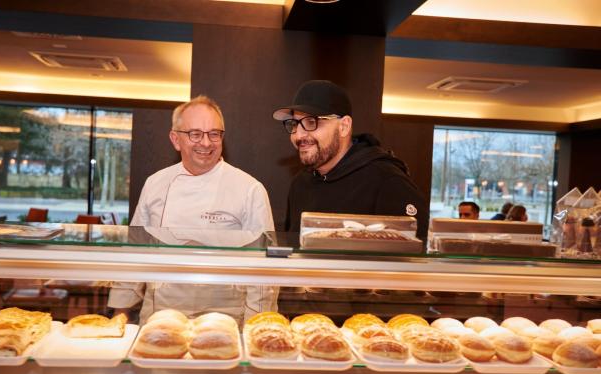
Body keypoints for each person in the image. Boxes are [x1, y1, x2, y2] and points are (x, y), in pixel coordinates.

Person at [108, 95, 277, 324]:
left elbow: (263, 269)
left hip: (225, 321)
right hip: (160, 317)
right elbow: (135, 251)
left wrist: (256, 325)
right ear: (176, 139)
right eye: (195, 134)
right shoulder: (155, 184)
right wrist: (121, 310)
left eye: (214, 134)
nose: (206, 143)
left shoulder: (250, 189)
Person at [273, 80, 429, 239]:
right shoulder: (300, 184)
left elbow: (415, 256)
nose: (298, 136)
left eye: (312, 122)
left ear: (344, 126)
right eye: (294, 124)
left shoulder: (387, 181)